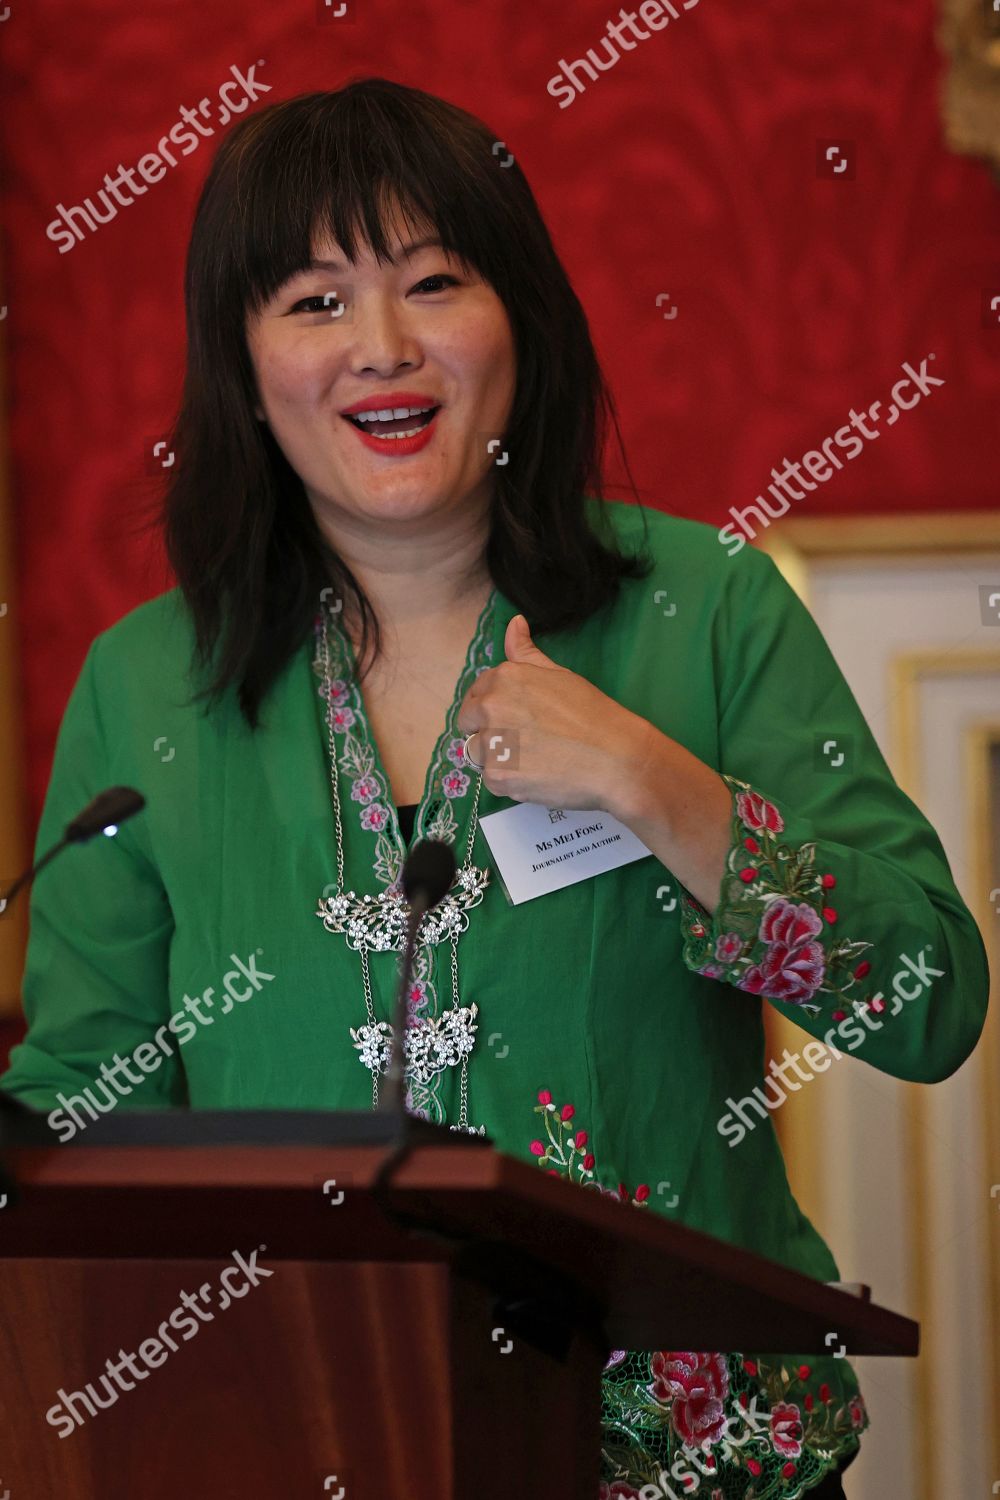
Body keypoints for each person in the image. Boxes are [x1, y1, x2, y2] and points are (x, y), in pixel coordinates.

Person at [0, 77, 989, 1499]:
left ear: (518, 317)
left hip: (688, 1464)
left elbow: (931, 1003)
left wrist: (663, 787)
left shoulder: (703, 609)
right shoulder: (149, 684)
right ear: (242, 356)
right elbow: (85, 1110)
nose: (383, 351)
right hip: (298, 1435)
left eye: (433, 282)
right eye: (314, 302)